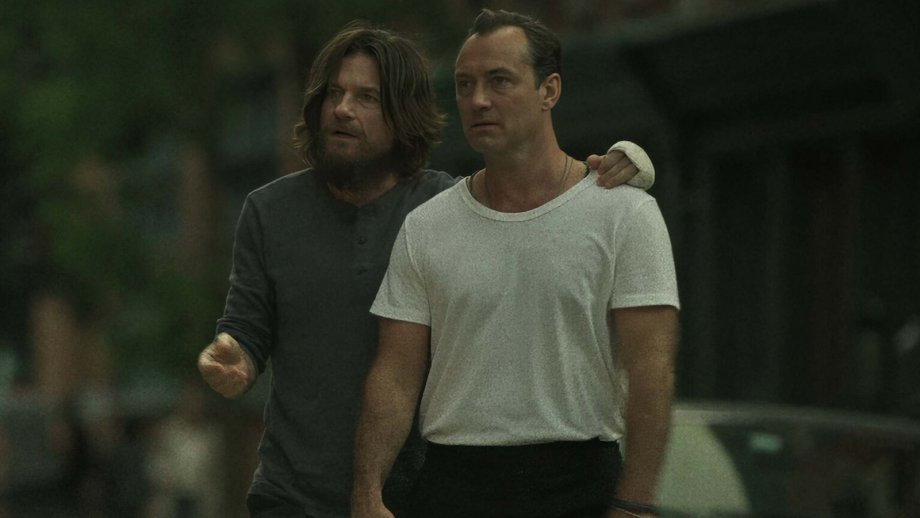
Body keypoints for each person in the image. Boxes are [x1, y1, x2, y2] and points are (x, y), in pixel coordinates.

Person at [197, 20, 655, 518]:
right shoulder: (269, 210)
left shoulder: (447, 209)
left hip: (420, 495)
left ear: (403, 115)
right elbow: (246, 328)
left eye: (367, 98)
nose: (343, 109)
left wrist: (629, 163)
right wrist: (234, 355)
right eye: (334, 93)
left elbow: (537, 210)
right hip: (293, 495)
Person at [351, 9, 679, 518]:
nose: (478, 100)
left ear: (549, 90)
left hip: (578, 485)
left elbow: (651, 369)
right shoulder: (427, 226)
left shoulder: (625, 214)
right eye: (465, 85)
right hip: (452, 486)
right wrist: (367, 493)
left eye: (499, 80)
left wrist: (636, 502)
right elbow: (395, 374)